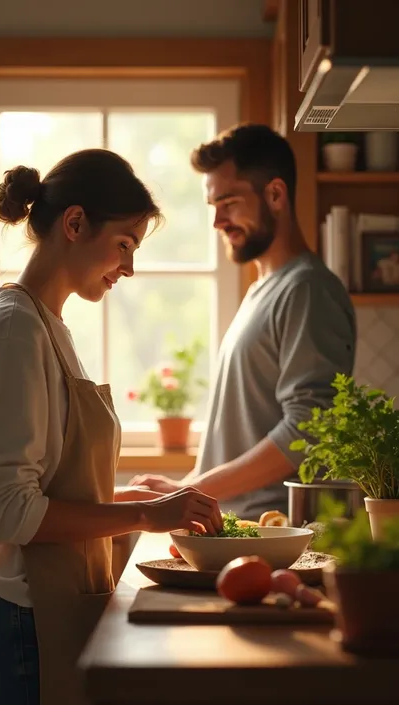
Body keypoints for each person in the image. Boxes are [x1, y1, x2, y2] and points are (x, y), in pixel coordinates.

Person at [0, 149, 222, 705]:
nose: (130, 268)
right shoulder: (15, 331)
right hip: (14, 626)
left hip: (36, 614)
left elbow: (44, 490)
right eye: (125, 245)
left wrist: (124, 495)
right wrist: (143, 514)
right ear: (75, 224)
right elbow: (6, 510)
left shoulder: (47, 327)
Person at [129, 124, 356, 522]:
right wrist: (184, 487)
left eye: (229, 202)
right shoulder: (263, 289)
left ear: (275, 194)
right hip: (240, 531)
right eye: (213, 206)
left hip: (274, 533)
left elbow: (307, 431)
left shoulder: (308, 289)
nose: (217, 220)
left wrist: (188, 490)